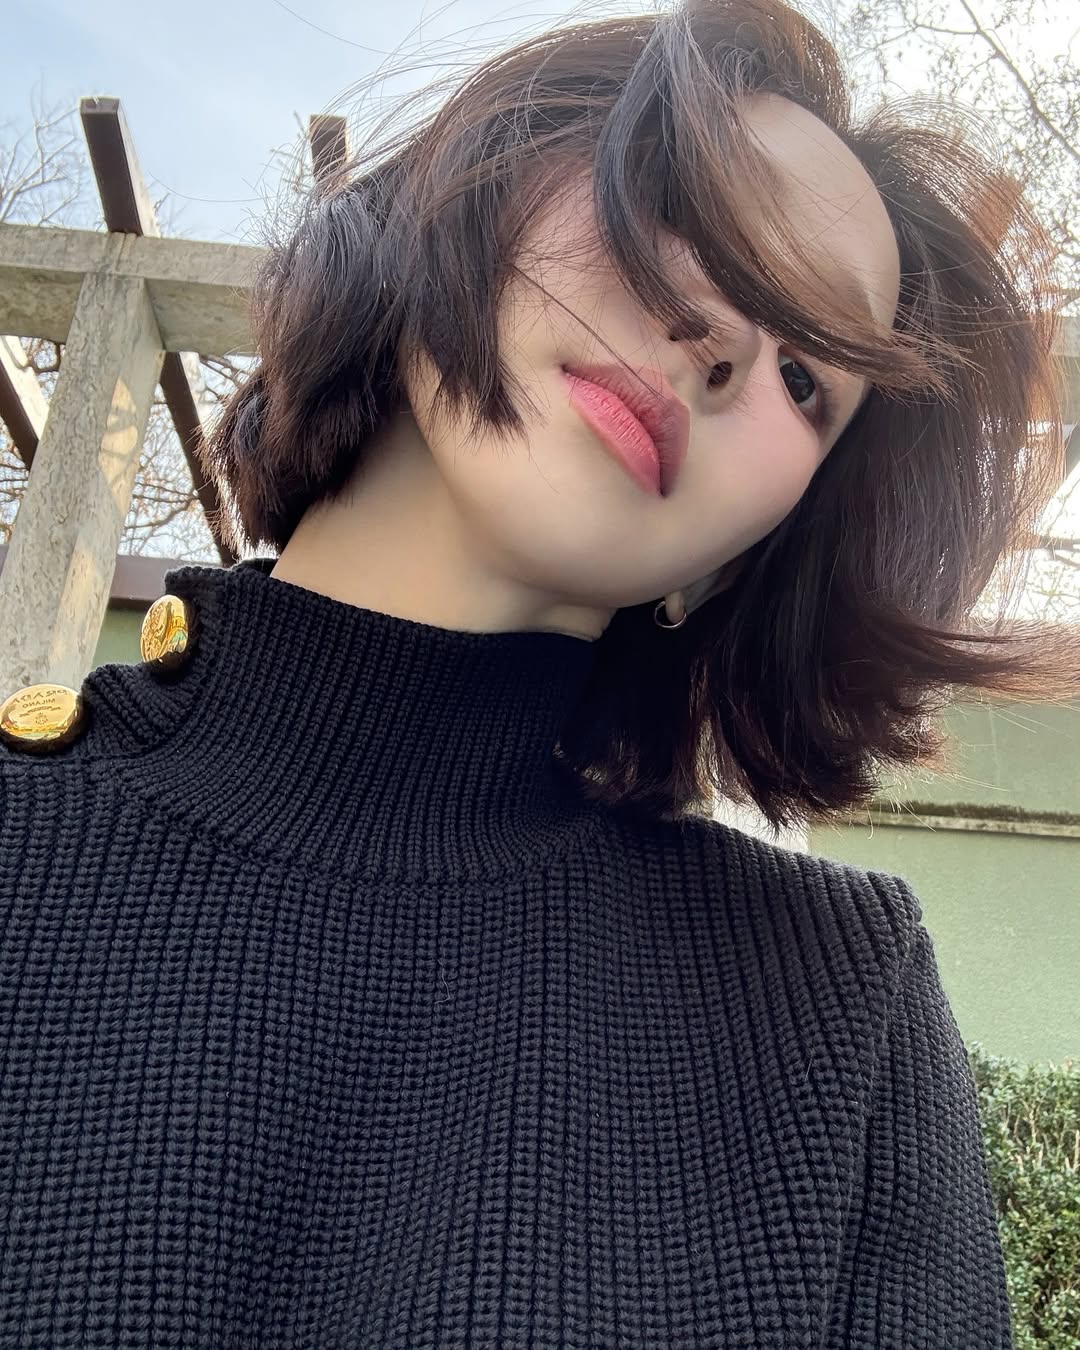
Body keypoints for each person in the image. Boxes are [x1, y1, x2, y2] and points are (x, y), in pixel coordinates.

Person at [0, 0, 1075, 1344]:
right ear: (477, 184)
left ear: (751, 552)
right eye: (692, 207)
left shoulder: (829, 1002)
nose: (725, 341)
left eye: (806, 376)